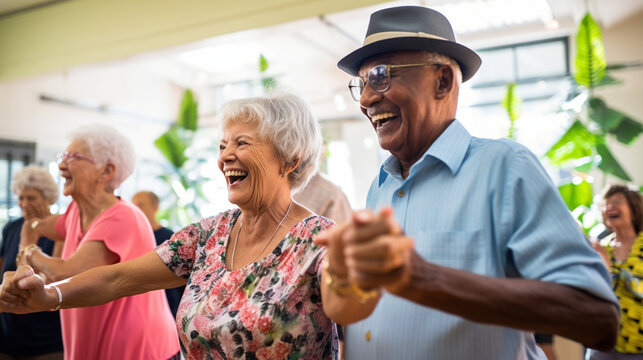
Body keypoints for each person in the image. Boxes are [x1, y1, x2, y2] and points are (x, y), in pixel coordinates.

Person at [314, 6, 619, 359]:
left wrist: (422, 279)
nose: (366, 99)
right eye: (362, 83)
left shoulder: (504, 168)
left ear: (442, 81)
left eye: (381, 76)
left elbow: (599, 319)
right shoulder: (380, 186)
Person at [0, 92, 335, 359]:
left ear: (291, 157)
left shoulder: (320, 240)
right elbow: (119, 278)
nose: (225, 156)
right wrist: (49, 296)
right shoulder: (208, 235)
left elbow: (352, 315)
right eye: (222, 145)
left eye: (241, 143)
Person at [6, 125, 179, 360]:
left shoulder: (122, 216)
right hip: (87, 343)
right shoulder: (76, 212)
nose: (61, 165)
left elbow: (65, 274)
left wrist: (27, 251)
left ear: (106, 171)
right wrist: (30, 230)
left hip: (138, 349)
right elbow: (39, 225)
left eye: (73, 157)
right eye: (62, 156)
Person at [0, 166, 64, 359]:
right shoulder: (12, 227)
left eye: (31, 198)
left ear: (49, 198)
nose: (24, 203)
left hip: (45, 337)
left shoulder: (60, 230)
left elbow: (54, 277)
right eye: (21, 198)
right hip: (8, 333)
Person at [589, 185, 643, 359]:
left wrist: (609, 268)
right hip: (602, 342)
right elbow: (594, 293)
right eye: (605, 204)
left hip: (638, 345)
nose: (609, 207)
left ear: (634, 210)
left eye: (617, 202)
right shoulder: (602, 249)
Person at [131, 190, 184, 318]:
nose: (136, 209)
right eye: (133, 205)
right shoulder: (132, 238)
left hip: (168, 309)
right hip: (139, 309)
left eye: (141, 205)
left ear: (155, 207)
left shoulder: (171, 238)